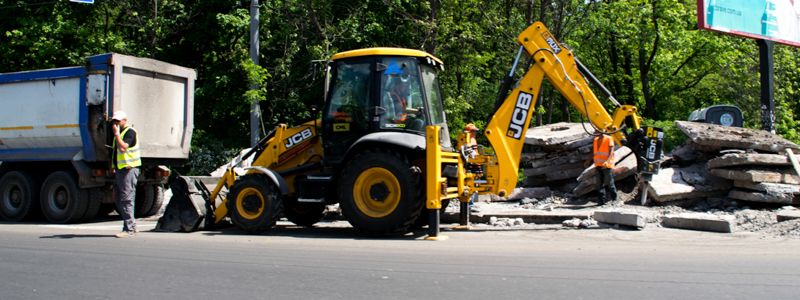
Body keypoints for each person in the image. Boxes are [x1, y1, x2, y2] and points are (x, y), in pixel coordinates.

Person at [111, 111, 141, 238]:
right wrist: (113, 167)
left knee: (126, 199)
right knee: (118, 198)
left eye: (118, 121)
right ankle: (131, 225)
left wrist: (117, 134)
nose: (115, 123)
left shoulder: (130, 132)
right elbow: (116, 153)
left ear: (125, 120)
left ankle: (129, 229)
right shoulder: (120, 133)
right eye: (114, 121)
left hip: (129, 169)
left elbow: (123, 148)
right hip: (121, 170)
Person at [593, 130, 617, 205]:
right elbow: (594, 151)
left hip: (607, 165)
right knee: (599, 184)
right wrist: (588, 160)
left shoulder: (609, 138)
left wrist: (607, 161)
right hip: (598, 165)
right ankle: (601, 201)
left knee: (609, 182)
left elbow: (611, 151)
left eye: (596, 130)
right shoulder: (595, 140)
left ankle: (614, 199)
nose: (594, 132)